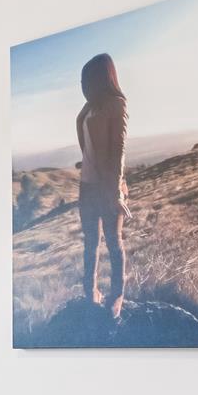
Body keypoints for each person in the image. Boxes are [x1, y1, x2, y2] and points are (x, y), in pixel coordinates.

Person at [75, 52, 128, 312]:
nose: (82, 86)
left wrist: (116, 191)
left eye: (85, 80)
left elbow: (118, 150)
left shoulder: (116, 104)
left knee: (113, 242)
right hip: (87, 186)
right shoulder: (88, 108)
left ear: (99, 78)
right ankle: (90, 292)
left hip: (107, 187)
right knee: (90, 243)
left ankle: (116, 297)